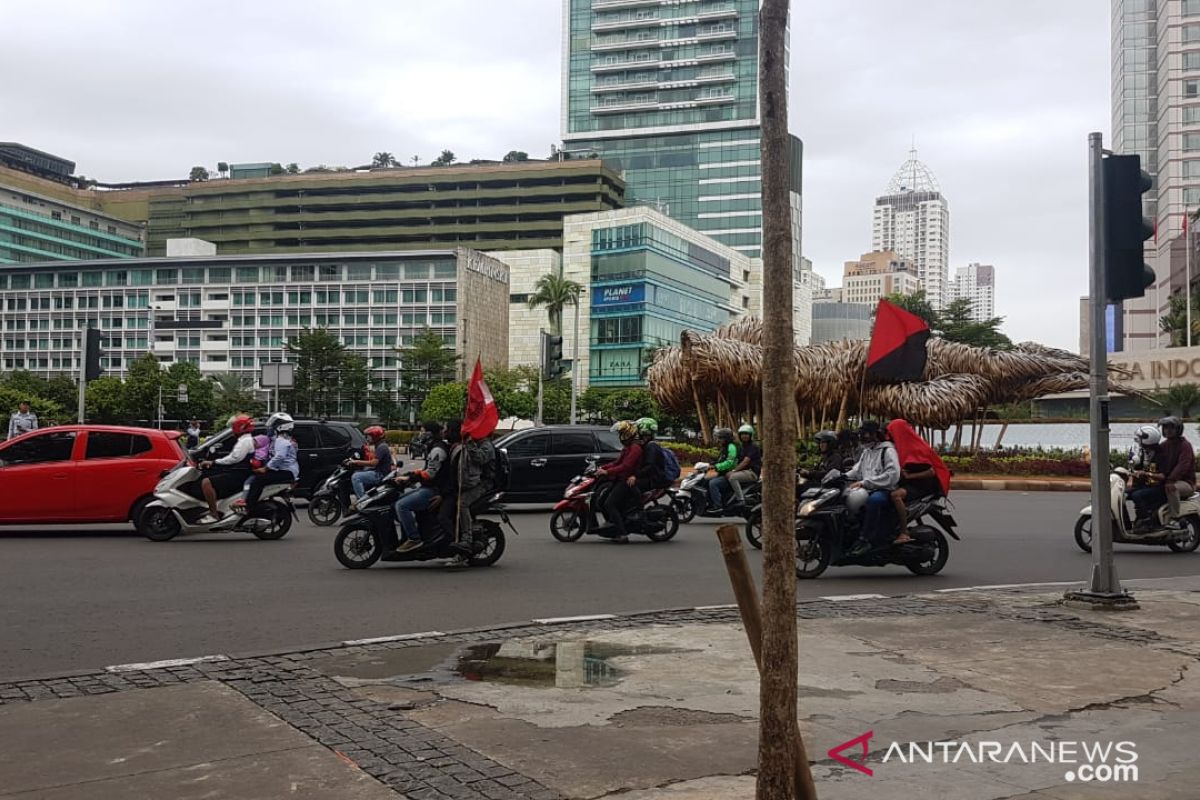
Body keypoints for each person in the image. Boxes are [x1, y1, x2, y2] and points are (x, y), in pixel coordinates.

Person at [886, 419, 950, 544]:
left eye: (891, 431)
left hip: (922, 485)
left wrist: (910, 476)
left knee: (896, 495)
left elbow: (931, 472)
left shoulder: (916, 447)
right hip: (908, 482)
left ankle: (904, 533)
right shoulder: (898, 446)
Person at [844, 420, 901, 555]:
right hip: (866, 488)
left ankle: (865, 540)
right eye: (862, 434)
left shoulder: (888, 450)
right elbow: (856, 471)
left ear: (876, 434)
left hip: (884, 489)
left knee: (873, 501)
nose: (863, 437)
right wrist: (841, 476)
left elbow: (893, 475)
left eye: (867, 434)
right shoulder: (867, 451)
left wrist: (866, 482)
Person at [392, 421, 449, 554]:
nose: (421, 434)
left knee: (401, 505)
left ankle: (414, 538)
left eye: (423, 431)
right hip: (428, 487)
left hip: (433, 490)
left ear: (429, 433)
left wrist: (410, 478)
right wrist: (409, 475)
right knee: (395, 502)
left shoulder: (437, 449)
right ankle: (407, 534)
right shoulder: (432, 447)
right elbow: (425, 469)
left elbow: (430, 474)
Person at [1131, 417, 1195, 531]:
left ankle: (1175, 517)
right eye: (1165, 427)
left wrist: (1170, 479)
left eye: (1171, 427)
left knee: (1170, 487)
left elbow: (1183, 465)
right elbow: (1154, 460)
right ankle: (1146, 518)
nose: (1168, 430)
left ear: (1178, 429)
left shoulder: (1185, 445)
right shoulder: (1164, 445)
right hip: (1167, 479)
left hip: (1185, 482)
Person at [198, 415, 256, 523]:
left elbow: (233, 458)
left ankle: (213, 514)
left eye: (233, 426)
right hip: (240, 471)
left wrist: (214, 462)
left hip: (239, 474)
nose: (232, 429)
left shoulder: (244, 441)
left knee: (206, 483)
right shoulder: (246, 439)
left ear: (240, 427)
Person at [597, 420, 644, 543]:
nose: (620, 436)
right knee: (601, 502)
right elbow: (617, 462)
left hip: (626, 481)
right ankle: (613, 526)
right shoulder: (627, 448)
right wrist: (603, 468)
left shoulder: (635, 448)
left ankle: (622, 534)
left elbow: (626, 466)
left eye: (622, 433)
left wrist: (607, 472)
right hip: (619, 479)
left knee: (609, 504)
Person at [242, 414, 299, 508]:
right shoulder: (280, 439)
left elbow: (280, 457)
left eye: (272, 426)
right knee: (256, 476)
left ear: (280, 427)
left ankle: (249, 506)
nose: (269, 429)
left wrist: (265, 468)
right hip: (284, 470)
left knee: (258, 480)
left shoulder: (281, 440)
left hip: (286, 472)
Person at [350, 426, 394, 499]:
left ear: (375, 436)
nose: (367, 438)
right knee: (359, 472)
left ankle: (362, 501)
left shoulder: (382, 447)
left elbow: (373, 463)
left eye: (369, 436)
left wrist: (356, 462)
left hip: (380, 474)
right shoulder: (379, 446)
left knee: (356, 477)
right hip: (378, 472)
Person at [703, 427, 740, 514]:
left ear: (726, 438)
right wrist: (710, 464)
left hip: (729, 474)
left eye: (721, 438)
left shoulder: (731, 447)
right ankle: (709, 503)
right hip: (723, 473)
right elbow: (720, 459)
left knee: (713, 484)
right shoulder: (725, 447)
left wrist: (716, 467)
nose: (719, 440)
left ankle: (718, 506)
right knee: (705, 481)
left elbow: (729, 462)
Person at [727, 424, 762, 507]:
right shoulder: (742, 446)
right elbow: (736, 459)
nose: (744, 436)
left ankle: (740, 499)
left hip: (752, 473)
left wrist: (733, 471)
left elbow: (745, 462)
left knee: (732, 477)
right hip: (744, 471)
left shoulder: (753, 446)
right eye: (742, 434)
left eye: (746, 434)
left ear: (750, 435)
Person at [634, 417, 670, 492]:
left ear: (644, 432)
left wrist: (635, 475)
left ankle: (636, 504)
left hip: (654, 480)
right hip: (652, 477)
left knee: (628, 485)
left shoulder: (651, 446)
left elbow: (649, 466)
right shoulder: (646, 445)